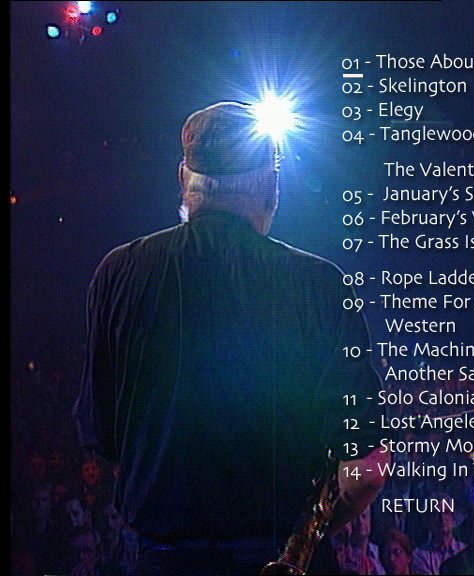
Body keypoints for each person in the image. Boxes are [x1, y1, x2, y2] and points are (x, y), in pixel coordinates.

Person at [73, 101, 389, 575]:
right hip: (284, 558)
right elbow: (366, 471)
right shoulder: (321, 285)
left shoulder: (118, 274)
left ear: (184, 180)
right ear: (271, 186)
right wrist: (308, 537)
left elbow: (102, 435)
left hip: (161, 560)